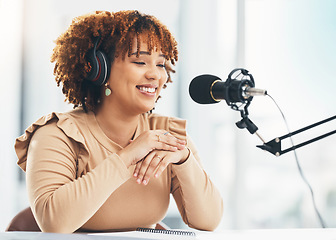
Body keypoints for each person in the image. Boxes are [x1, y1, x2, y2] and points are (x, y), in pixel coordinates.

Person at [14, 10, 223, 233]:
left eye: (161, 64)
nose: (155, 75)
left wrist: (184, 160)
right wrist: (128, 156)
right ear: (99, 69)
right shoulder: (58, 134)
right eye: (140, 62)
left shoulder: (167, 134)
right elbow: (54, 223)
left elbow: (208, 220)